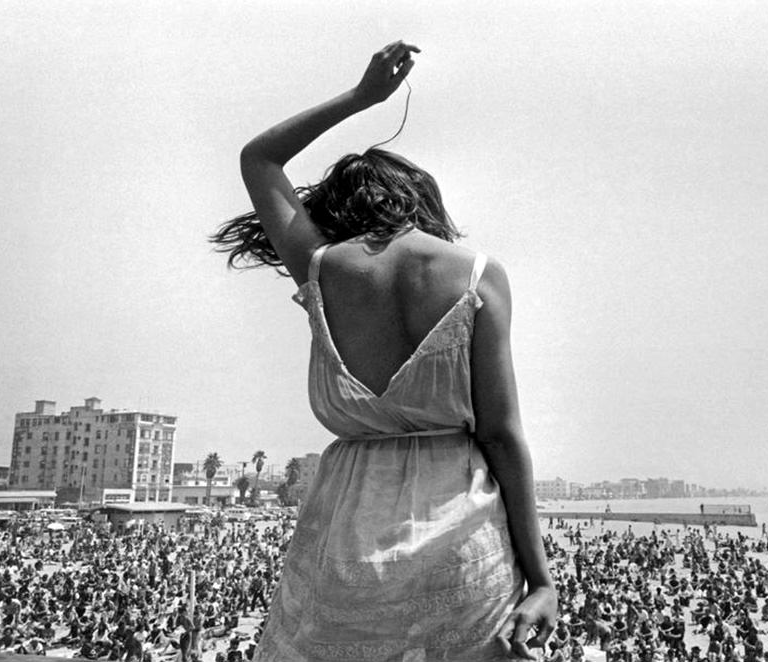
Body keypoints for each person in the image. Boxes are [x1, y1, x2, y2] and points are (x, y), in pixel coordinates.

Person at [212, 41, 557, 661]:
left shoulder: (319, 269)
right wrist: (541, 579)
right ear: (421, 200)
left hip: (345, 537)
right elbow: (502, 437)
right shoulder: (477, 274)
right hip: (462, 539)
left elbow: (259, 158)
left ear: (342, 209)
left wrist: (361, 97)